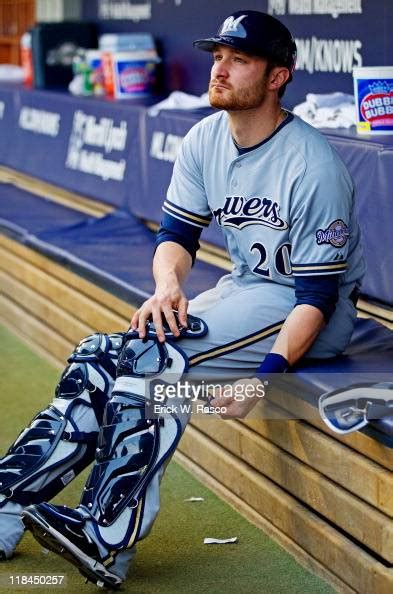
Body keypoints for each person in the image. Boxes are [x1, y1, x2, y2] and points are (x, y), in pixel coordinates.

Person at [0, 10, 365, 589]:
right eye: (218, 56)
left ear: (277, 77)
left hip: (306, 311)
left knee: (153, 362)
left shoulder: (312, 165)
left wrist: (264, 380)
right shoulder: (204, 138)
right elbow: (176, 237)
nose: (220, 69)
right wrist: (168, 286)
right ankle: (8, 499)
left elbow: (317, 297)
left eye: (239, 59)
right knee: (102, 353)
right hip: (246, 289)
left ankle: (107, 533)